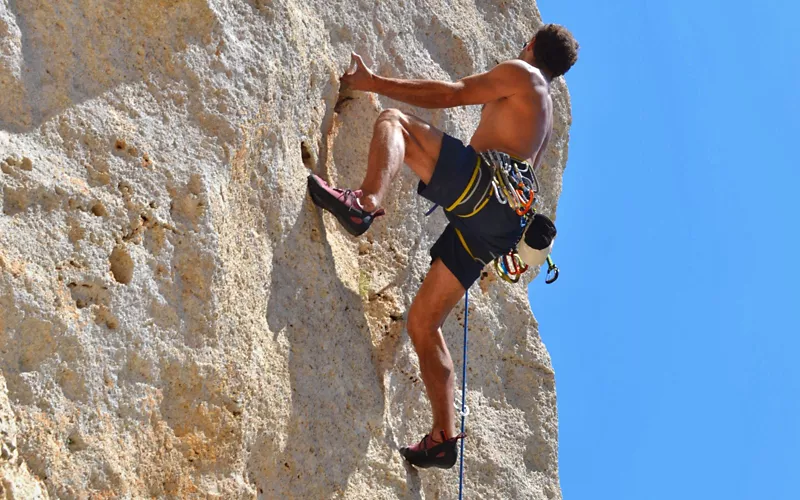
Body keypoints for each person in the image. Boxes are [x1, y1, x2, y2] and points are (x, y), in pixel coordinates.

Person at [307, 24, 578, 469]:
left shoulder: (522, 74)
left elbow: (453, 93)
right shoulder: (544, 116)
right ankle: (443, 437)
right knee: (423, 322)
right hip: (498, 228)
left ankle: (364, 203)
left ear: (530, 45)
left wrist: (373, 82)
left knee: (394, 122)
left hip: (485, 193)